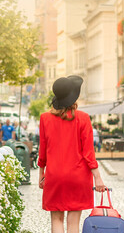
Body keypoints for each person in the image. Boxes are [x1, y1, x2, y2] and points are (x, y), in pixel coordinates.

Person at [38, 76, 106, 233]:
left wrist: (41, 174)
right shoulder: (83, 118)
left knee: (56, 220)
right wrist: (97, 177)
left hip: (54, 176)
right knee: (73, 224)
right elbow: (89, 152)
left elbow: (43, 151)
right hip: (78, 176)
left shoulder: (45, 118)